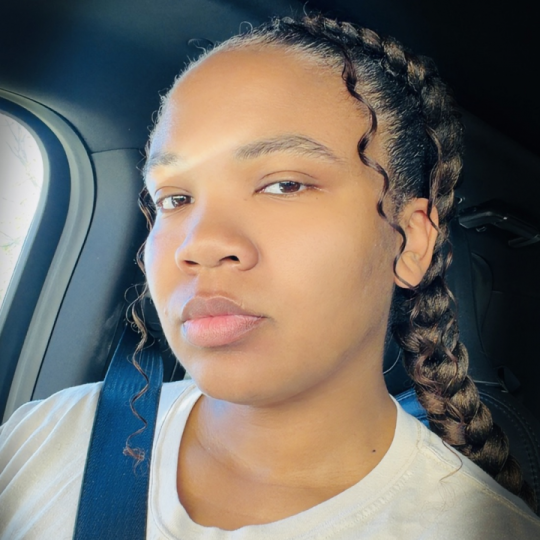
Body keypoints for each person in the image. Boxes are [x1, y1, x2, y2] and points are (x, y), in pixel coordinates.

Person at [1, 12, 540, 539]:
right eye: (175, 198)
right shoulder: (44, 435)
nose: (199, 245)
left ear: (411, 242)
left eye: (284, 185)